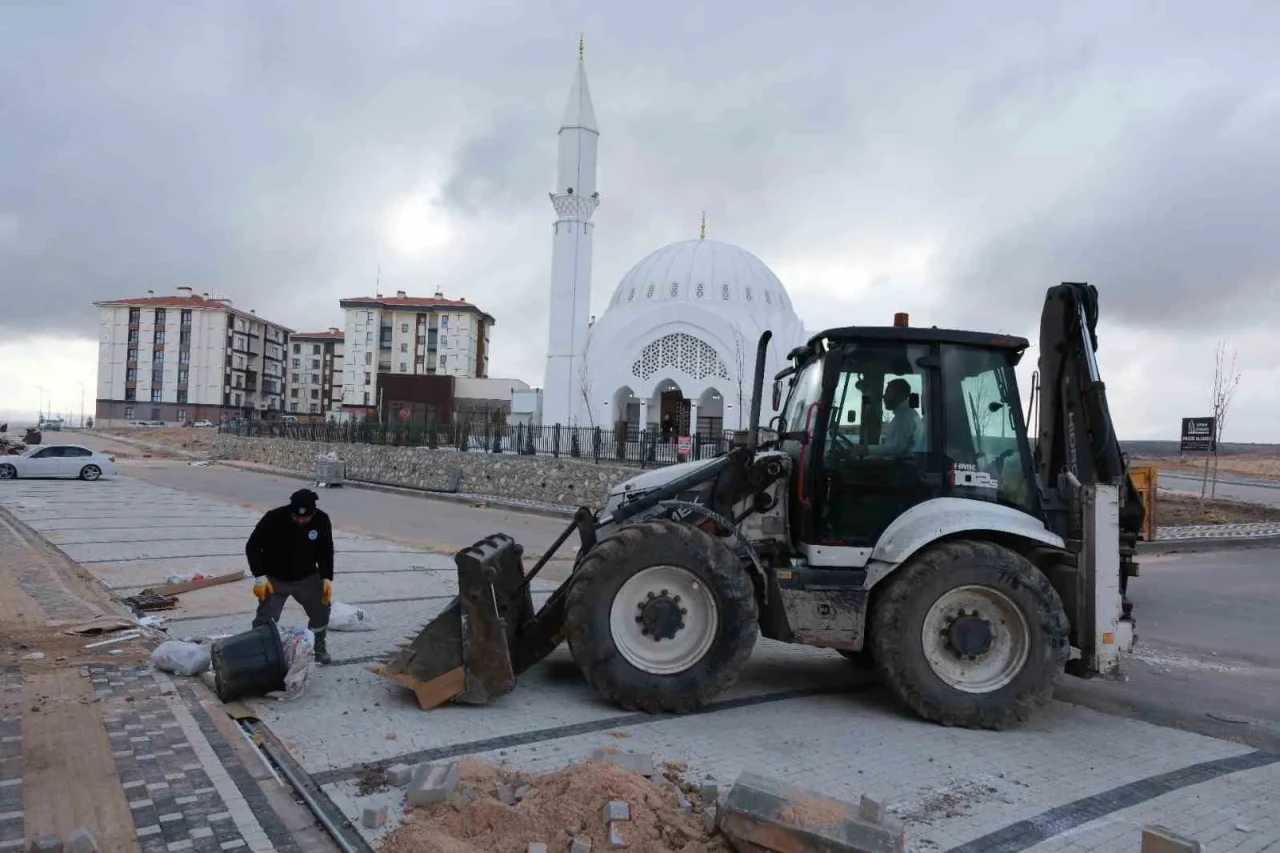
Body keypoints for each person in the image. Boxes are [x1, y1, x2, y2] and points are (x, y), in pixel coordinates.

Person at [245, 488, 336, 664]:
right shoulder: (273, 518)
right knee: (266, 619)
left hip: (307, 577)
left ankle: (317, 647)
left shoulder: (322, 520)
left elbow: (326, 550)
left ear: (313, 512)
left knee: (322, 609)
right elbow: (252, 546)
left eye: (305, 517)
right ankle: (261, 652)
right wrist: (260, 576)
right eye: (296, 516)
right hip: (275, 579)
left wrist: (326, 577)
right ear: (290, 510)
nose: (300, 520)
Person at [868, 377, 922, 455]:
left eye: (888, 393)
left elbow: (896, 448)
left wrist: (865, 449)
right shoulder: (907, 415)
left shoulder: (904, 418)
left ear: (901, 395)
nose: (884, 397)